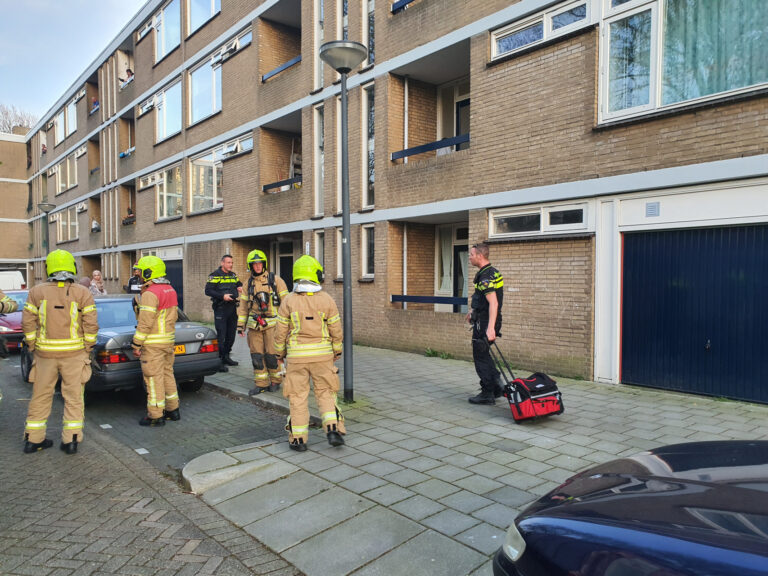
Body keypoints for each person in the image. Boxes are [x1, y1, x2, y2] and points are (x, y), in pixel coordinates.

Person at [21, 250, 98, 454]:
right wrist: (87, 348)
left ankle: (33, 439)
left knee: (41, 395)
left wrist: (32, 346)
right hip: (74, 355)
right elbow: (91, 325)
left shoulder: (36, 292)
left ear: (49, 267)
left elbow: (28, 322)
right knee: (73, 397)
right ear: (72, 267)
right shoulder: (83, 293)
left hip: (45, 355)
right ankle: (71, 441)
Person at [273, 255, 344, 452]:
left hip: (296, 358)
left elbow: (280, 333)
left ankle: (298, 440)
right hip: (323, 356)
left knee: (297, 397)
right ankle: (332, 429)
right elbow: (336, 329)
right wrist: (337, 350)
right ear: (316, 275)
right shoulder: (327, 300)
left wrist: (279, 354)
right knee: (326, 393)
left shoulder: (288, 301)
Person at [131, 256, 179, 426]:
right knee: (168, 374)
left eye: (141, 272)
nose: (139, 275)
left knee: (153, 379)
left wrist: (136, 344)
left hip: (152, 344)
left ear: (149, 272)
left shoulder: (151, 293)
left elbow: (145, 323)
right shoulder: (170, 289)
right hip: (168, 341)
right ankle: (173, 410)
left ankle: (155, 416)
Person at [237, 249, 288, 394]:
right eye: (255, 264)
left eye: (260, 264)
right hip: (255, 326)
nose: (258, 266)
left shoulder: (276, 281)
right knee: (257, 356)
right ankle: (261, 384)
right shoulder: (248, 284)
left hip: (273, 325)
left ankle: (276, 381)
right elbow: (243, 306)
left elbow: (286, 303)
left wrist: (287, 325)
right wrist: (241, 326)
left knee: (272, 355)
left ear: (264, 264)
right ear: (251, 266)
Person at [466, 242, 504, 405]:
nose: (470, 257)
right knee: (484, 354)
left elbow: (493, 303)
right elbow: (483, 299)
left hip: (486, 322)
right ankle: (496, 386)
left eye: (472, 255)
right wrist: (472, 311)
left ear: (480, 256)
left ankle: (487, 393)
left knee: (480, 356)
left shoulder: (485, 277)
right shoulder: (491, 272)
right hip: (486, 319)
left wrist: (489, 329)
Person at [205, 255, 242, 371]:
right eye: (228, 262)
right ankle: (219, 361)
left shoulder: (233, 275)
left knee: (231, 336)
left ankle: (226, 356)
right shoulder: (214, 275)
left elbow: (238, 283)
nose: (230, 265)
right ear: (222, 263)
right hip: (221, 309)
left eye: (231, 262)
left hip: (232, 309)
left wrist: (240, 286)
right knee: (221, 336)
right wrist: (222, 296)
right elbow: (208, 290)